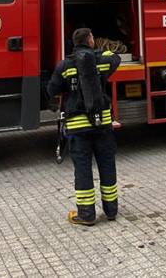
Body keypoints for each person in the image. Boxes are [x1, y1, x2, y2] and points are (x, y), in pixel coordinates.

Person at [47, 27, 121, 225]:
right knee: (107, 165)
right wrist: (98, 51)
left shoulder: (65, 65)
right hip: (103, 125)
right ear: (90, 40)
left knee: (83, 169)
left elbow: (52, 89)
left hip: (78, 128)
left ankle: (87, 214)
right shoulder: (101, 60)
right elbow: (116, 58)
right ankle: (111, 210)